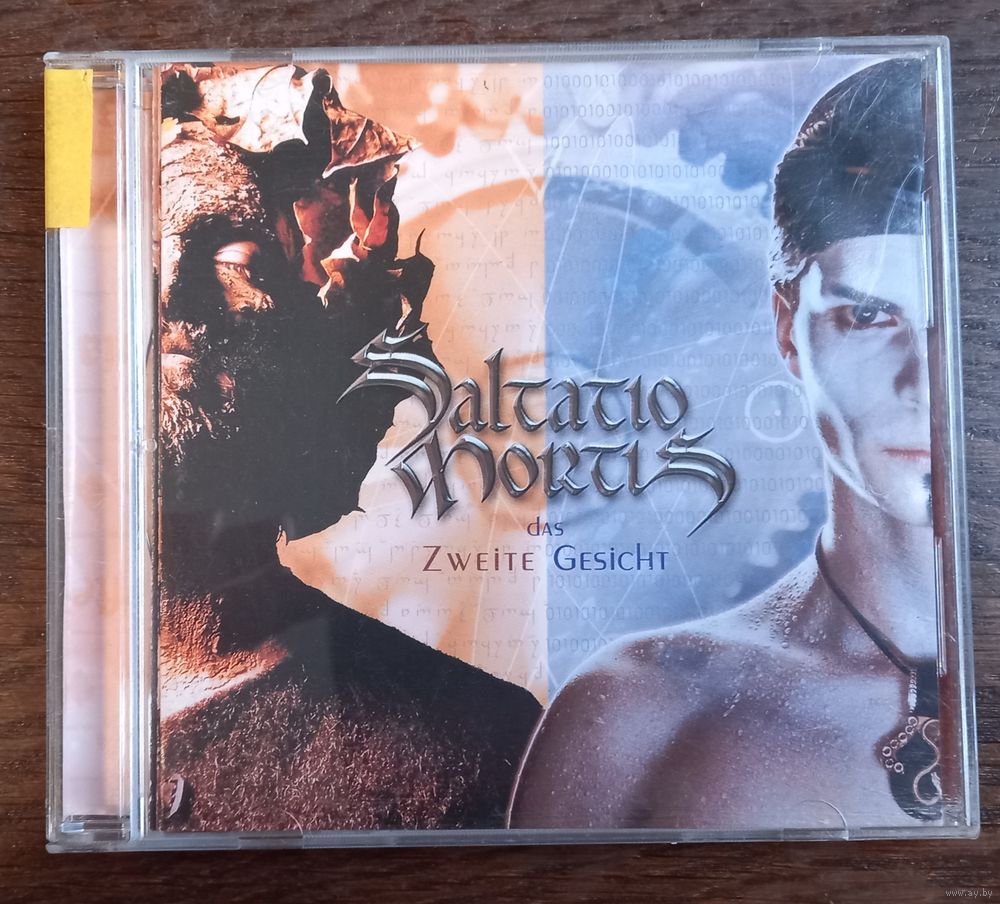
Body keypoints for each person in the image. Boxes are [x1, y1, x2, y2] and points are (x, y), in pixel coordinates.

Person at [508, 59, 943, 831]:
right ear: (788, 328)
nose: (924, 382)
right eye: (871, 316)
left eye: (957, 324)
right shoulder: (640, 715)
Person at [156, 65, 540, 833]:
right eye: (127, 257)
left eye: (234, 258)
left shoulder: (473, 744)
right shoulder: (51, 699)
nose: (166, 293)